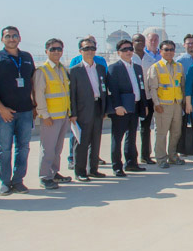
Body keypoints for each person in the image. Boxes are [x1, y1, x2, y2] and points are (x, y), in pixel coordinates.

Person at [0, 26, 36, 196]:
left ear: (19, 38)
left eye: (14, 36)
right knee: (4, 148)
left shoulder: (26, 57)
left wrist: (34, 105)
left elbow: (32, 81)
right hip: (3, 114)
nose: (11, 39)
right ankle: (5, 182)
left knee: (23, 147)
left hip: (25, 111)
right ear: (2, 39)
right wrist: (1, 108)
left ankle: (18, 180)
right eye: (8, 36)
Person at [33, 39, 73, 189]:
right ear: (46, 51)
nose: (56, 52)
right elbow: (39, 94)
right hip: (50, 117)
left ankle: (54, 173)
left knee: (57, 148)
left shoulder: (62, 69)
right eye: (53, 49)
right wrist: (44, 115)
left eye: (59, 49)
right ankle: (44, 176)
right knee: (48, 148)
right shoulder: (42, 71)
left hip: (63, 115)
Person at [105, 39, 146, 177]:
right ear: (118, 52)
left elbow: (141, 88)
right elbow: (113, 89)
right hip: (121, 109)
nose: (128, 52)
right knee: (117, 138)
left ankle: (131, 163)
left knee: (132, 136)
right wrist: (117, 106)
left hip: (134, 107)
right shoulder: (114, 68)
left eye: (130, 49)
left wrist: (143, 105)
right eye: (124, 50)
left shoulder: (137, 67)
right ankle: (117, 166)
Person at [69, 38, 107, 181]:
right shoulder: (75, 71)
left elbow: (104, 89)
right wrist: (72, 113)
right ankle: (80, 171)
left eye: (92, 48)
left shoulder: (100, 68)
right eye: (86, 49)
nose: (90, 51)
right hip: (82, 109)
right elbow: (71, 94)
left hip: (97, 106)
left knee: (96, 139)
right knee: (82, 141)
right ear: (80, 51)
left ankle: (93, 169)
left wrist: (104, 109)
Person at [145, 40, 184, 169]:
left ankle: (173, 155)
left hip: (176, 104)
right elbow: (152, 88)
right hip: (163, 105)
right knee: (161, 132)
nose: (169, 52)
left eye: (171, 49)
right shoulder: (155, 67)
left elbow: (181, 86)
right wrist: (156, 104)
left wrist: (183, 102)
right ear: (160, 51)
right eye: (166, 49)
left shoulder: (179, 66)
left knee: (176, 132)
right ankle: (161, 158)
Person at [136, 31, 161, 164]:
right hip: (137, 98)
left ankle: (150, 154)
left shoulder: (152, 59)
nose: (153, 41)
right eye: (150, 39)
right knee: (139, 129)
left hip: (152, 96)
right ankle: (138, 156)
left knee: (153, 127)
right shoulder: (131, 58)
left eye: (156, 39)